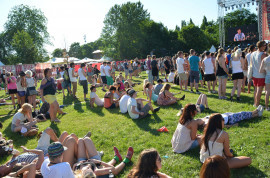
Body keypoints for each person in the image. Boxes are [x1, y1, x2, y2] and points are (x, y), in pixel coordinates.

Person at [252, 41, 267, 107]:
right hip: (261, 74)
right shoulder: (263, 54)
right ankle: (257, 104)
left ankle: (255, 103)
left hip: (255, 74)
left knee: (256, 90)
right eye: (264, 45)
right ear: (261, 46)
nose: (265, 46)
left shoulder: (253, 53)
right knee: (259, 90)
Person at [259, 43, 270, 111]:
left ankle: (266, 107)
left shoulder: (265, 59)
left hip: (268, 75)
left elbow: (260, 70)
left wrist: (266, 69)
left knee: (267, 92)